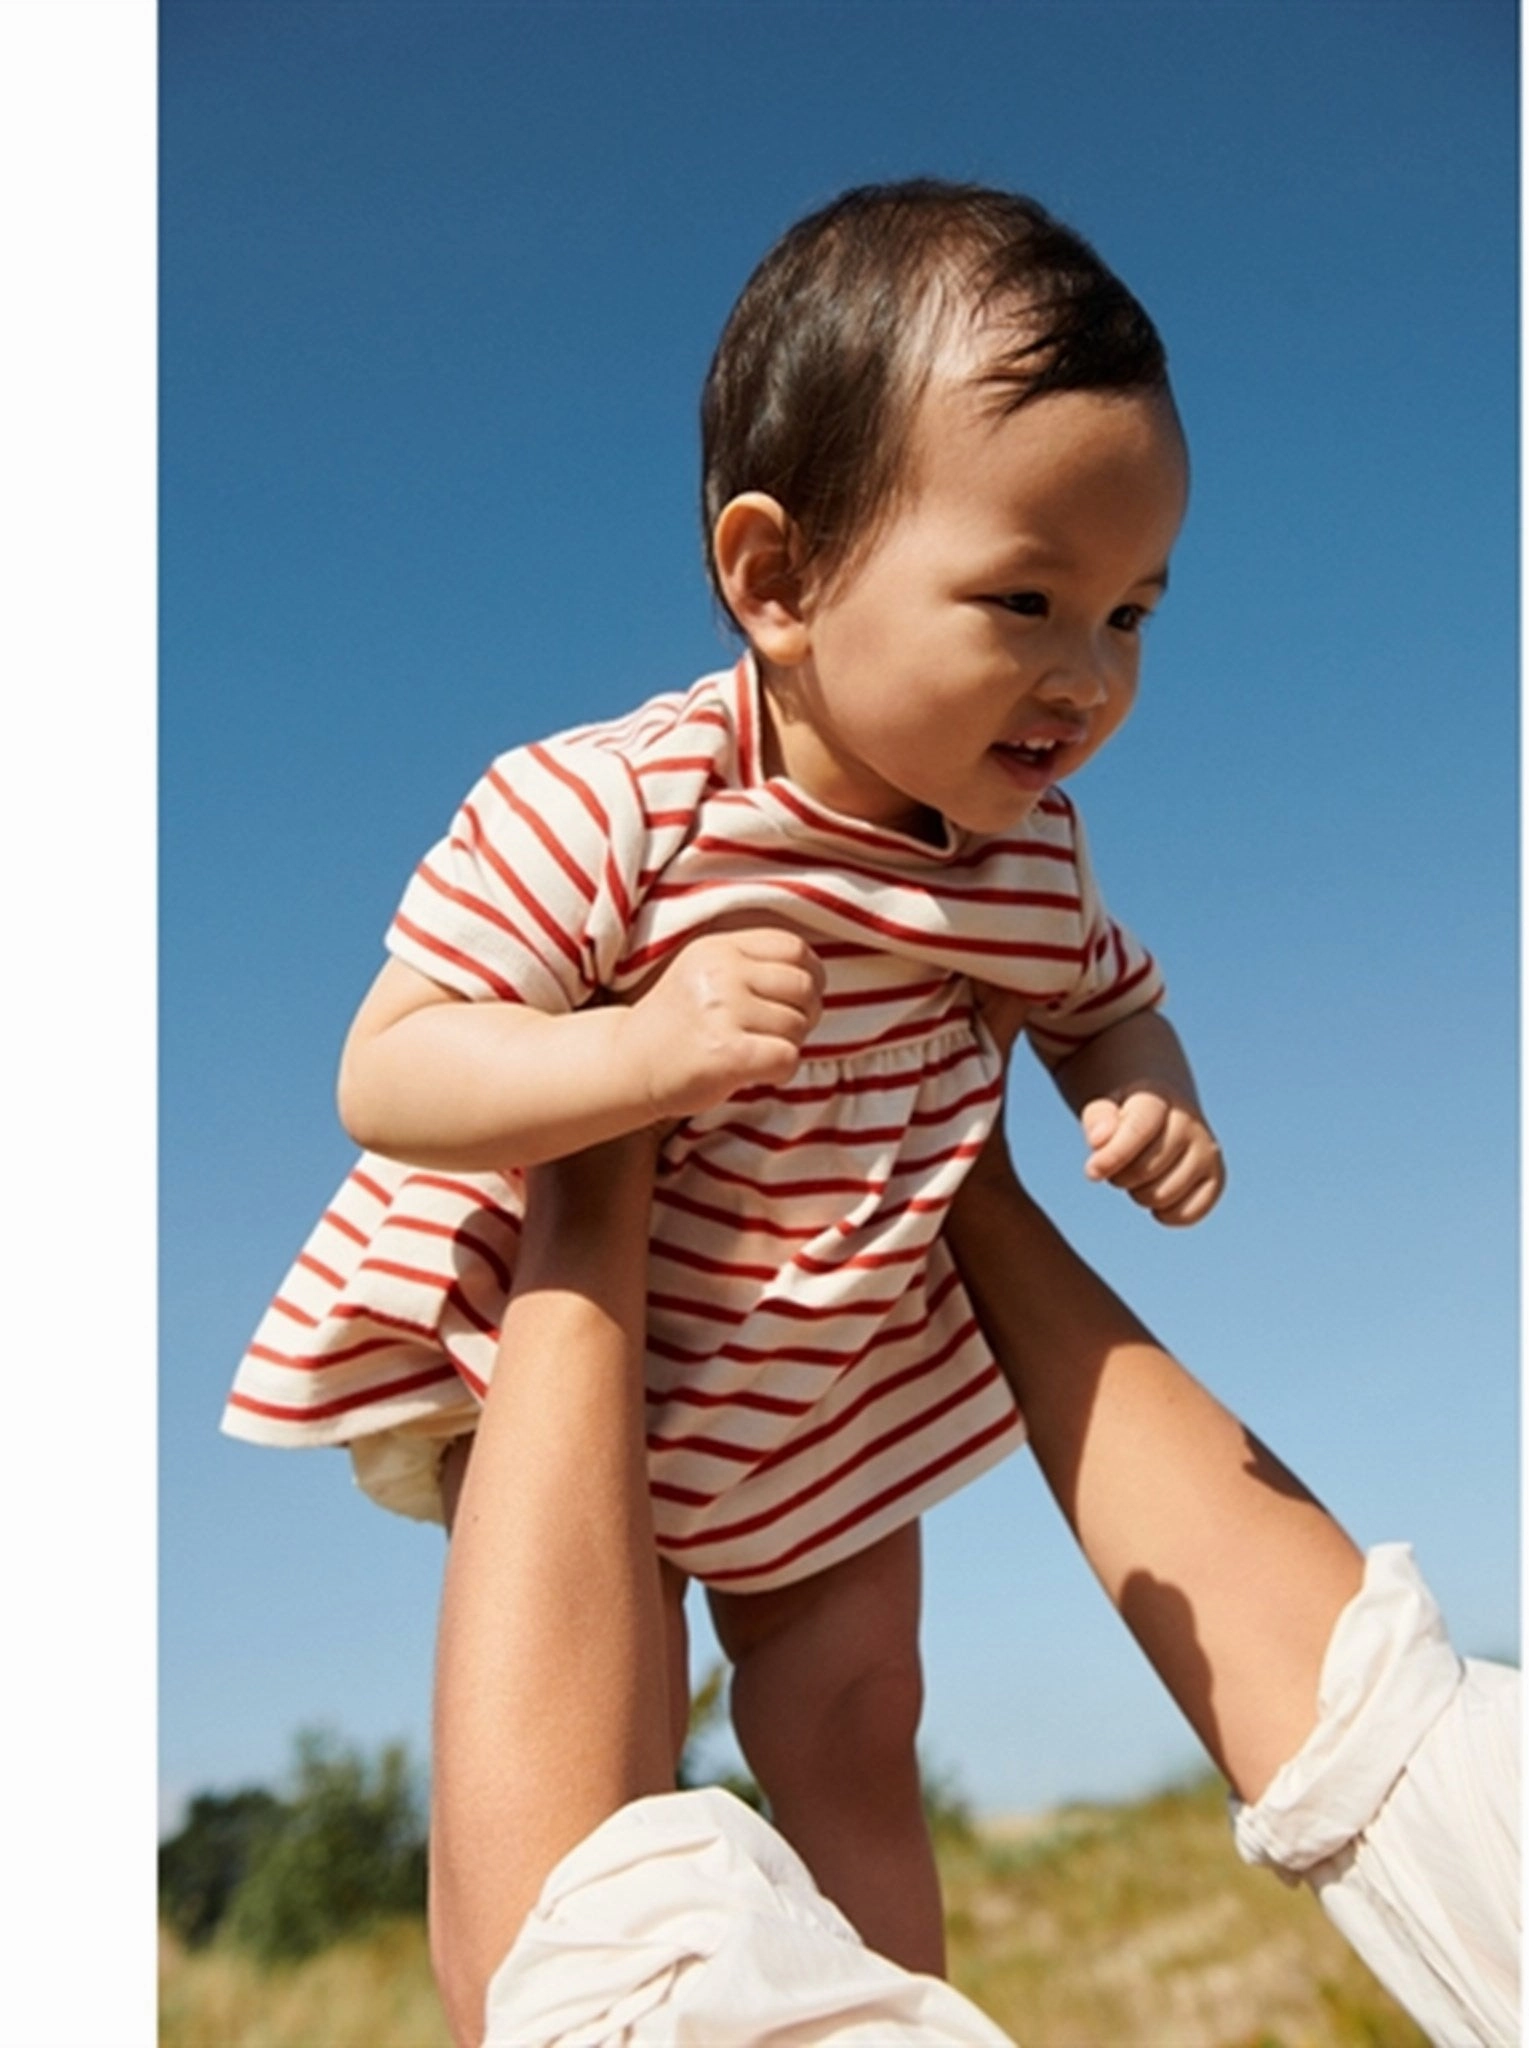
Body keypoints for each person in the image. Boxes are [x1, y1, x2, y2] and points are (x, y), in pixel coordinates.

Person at [221, 179, 1226, 1971]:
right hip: (567, 1357)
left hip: (822, 1367)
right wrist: (637, 1048)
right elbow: (389, 1070)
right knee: (587, 1760)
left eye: (1131, 614)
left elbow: (1102, 1002)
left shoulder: (1023, 860)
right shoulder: (609, 804)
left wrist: (1135, 1090)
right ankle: (566, 1992)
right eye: (1026, 598)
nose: (1087, 678)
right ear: (775, 577)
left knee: (852, 1713)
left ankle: (891, 2005)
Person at [432, 1106, 1519, 2048]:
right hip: (808, 1198)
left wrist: (588, 1157)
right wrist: (967, 1162)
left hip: (707, 1219)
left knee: (834, 1717)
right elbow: (1387, 1740)